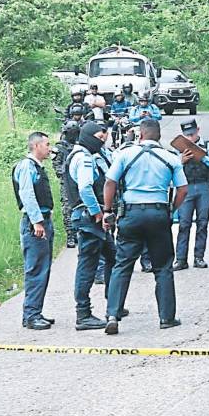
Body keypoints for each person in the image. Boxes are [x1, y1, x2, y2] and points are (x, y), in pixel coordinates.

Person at [100, 118, 188, 335]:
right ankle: (166, 317)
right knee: (163, 266)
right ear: (159, 136)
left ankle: (113, 314)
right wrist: (171, 210)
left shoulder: (125, 154)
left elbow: (110, 182)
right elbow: (183, 189)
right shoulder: (171, 158)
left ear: (140, 135)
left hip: (131, 214)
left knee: (122, 264)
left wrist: (108, 210)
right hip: (158, 213)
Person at [64, 121, 118, 331]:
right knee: (88, 265)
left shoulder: (81, 155)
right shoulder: (84, 157)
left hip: (88, 218)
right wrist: (98, 213)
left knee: (113, 257)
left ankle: (114, 305)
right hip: (88, 219)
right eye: (99, 137)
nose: (102, 141)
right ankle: (83, 314)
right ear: (88, 136)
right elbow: (85, 188)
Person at [12, 131, 55, 330]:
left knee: (43, 268)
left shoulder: (38, 167)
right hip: (34, 224)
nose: (50, 148)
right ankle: (30, 315)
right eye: (47, 144)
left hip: (43, 221)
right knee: (36, 269)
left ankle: (35, 311)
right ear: (36, 146)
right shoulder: (27, 167)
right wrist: (37, 221)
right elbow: (27, 194)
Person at [173, 118, 209, 271]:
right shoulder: (178, 148)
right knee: (184, 223)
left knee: (202, 222)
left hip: (203, 187)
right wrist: (182, 160)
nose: (190, 138)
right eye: (186, 135)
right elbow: (171, 168)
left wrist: (202, 156)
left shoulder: (208, 146)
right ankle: (180, 259)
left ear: (198, 131)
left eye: (192, 134)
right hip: (186, 188)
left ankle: (199, 257)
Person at [53, 120, 82, 249]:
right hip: (66, 182)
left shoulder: (80, 146)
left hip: (79, 181)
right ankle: (70, 235)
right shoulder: (60, 147)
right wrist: (65, 174)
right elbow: (56, 166)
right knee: (67, 208)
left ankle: (80, 232)